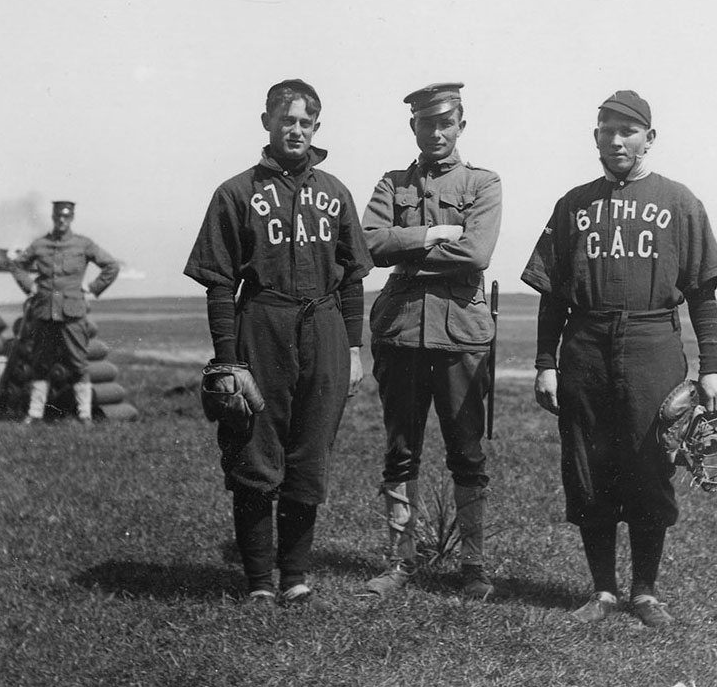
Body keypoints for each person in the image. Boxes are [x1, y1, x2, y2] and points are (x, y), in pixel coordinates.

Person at [520, 90, 717, 627]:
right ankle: (603, 591)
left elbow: (702, 290)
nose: (616, 140)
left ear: (649, 138)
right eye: (606, 130)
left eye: (628, 131)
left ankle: (645, 591)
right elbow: (552, 294)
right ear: (595, 137)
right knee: (589, 467)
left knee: (650, 463)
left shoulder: (680, 202)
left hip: (651, 343)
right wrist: (547, 361)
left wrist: (712, 366)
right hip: (586, 344)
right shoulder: (573, 204)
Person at [184, 79, 373, 604]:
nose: (295, 130)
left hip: (325, 328)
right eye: (286, 120)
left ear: (316, 128)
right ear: (266, 122)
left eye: (305, 123)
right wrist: (227, 359)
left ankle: (295, 577)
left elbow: (353, 277)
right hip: (262, 324)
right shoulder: (236, 192)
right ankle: (260, 582)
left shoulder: (334, 191)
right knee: (254, 454)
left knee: (309, 456)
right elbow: (221, 282)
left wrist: (354, 351)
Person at [361, 82, 502, 599]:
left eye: (446, 122)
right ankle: (401, 562)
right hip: (399, 331)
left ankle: (474, 568)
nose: (437, 132)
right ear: (413, 127)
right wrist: (433, 236)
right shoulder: (391, 182)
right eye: (427, 123)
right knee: (401, 452)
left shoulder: (483, 183)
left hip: (461, 334)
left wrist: (408, 254)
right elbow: (370, 242)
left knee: (467, 453)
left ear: (461, 125)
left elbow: (477, 254)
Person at [11, 200, 119, 424]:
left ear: (72, 218)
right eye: (58, 217)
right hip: (44, 313)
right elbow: (18, 265)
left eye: (66, 217)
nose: (62, 221)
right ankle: (34, 414)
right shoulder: (40, 244)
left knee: (78, 364)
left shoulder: (83, 244)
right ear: (53, 217)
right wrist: (29, 286)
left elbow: (111, 266)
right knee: (40, 364)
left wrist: (92, 288)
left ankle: (85, 415)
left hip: (72, 314)